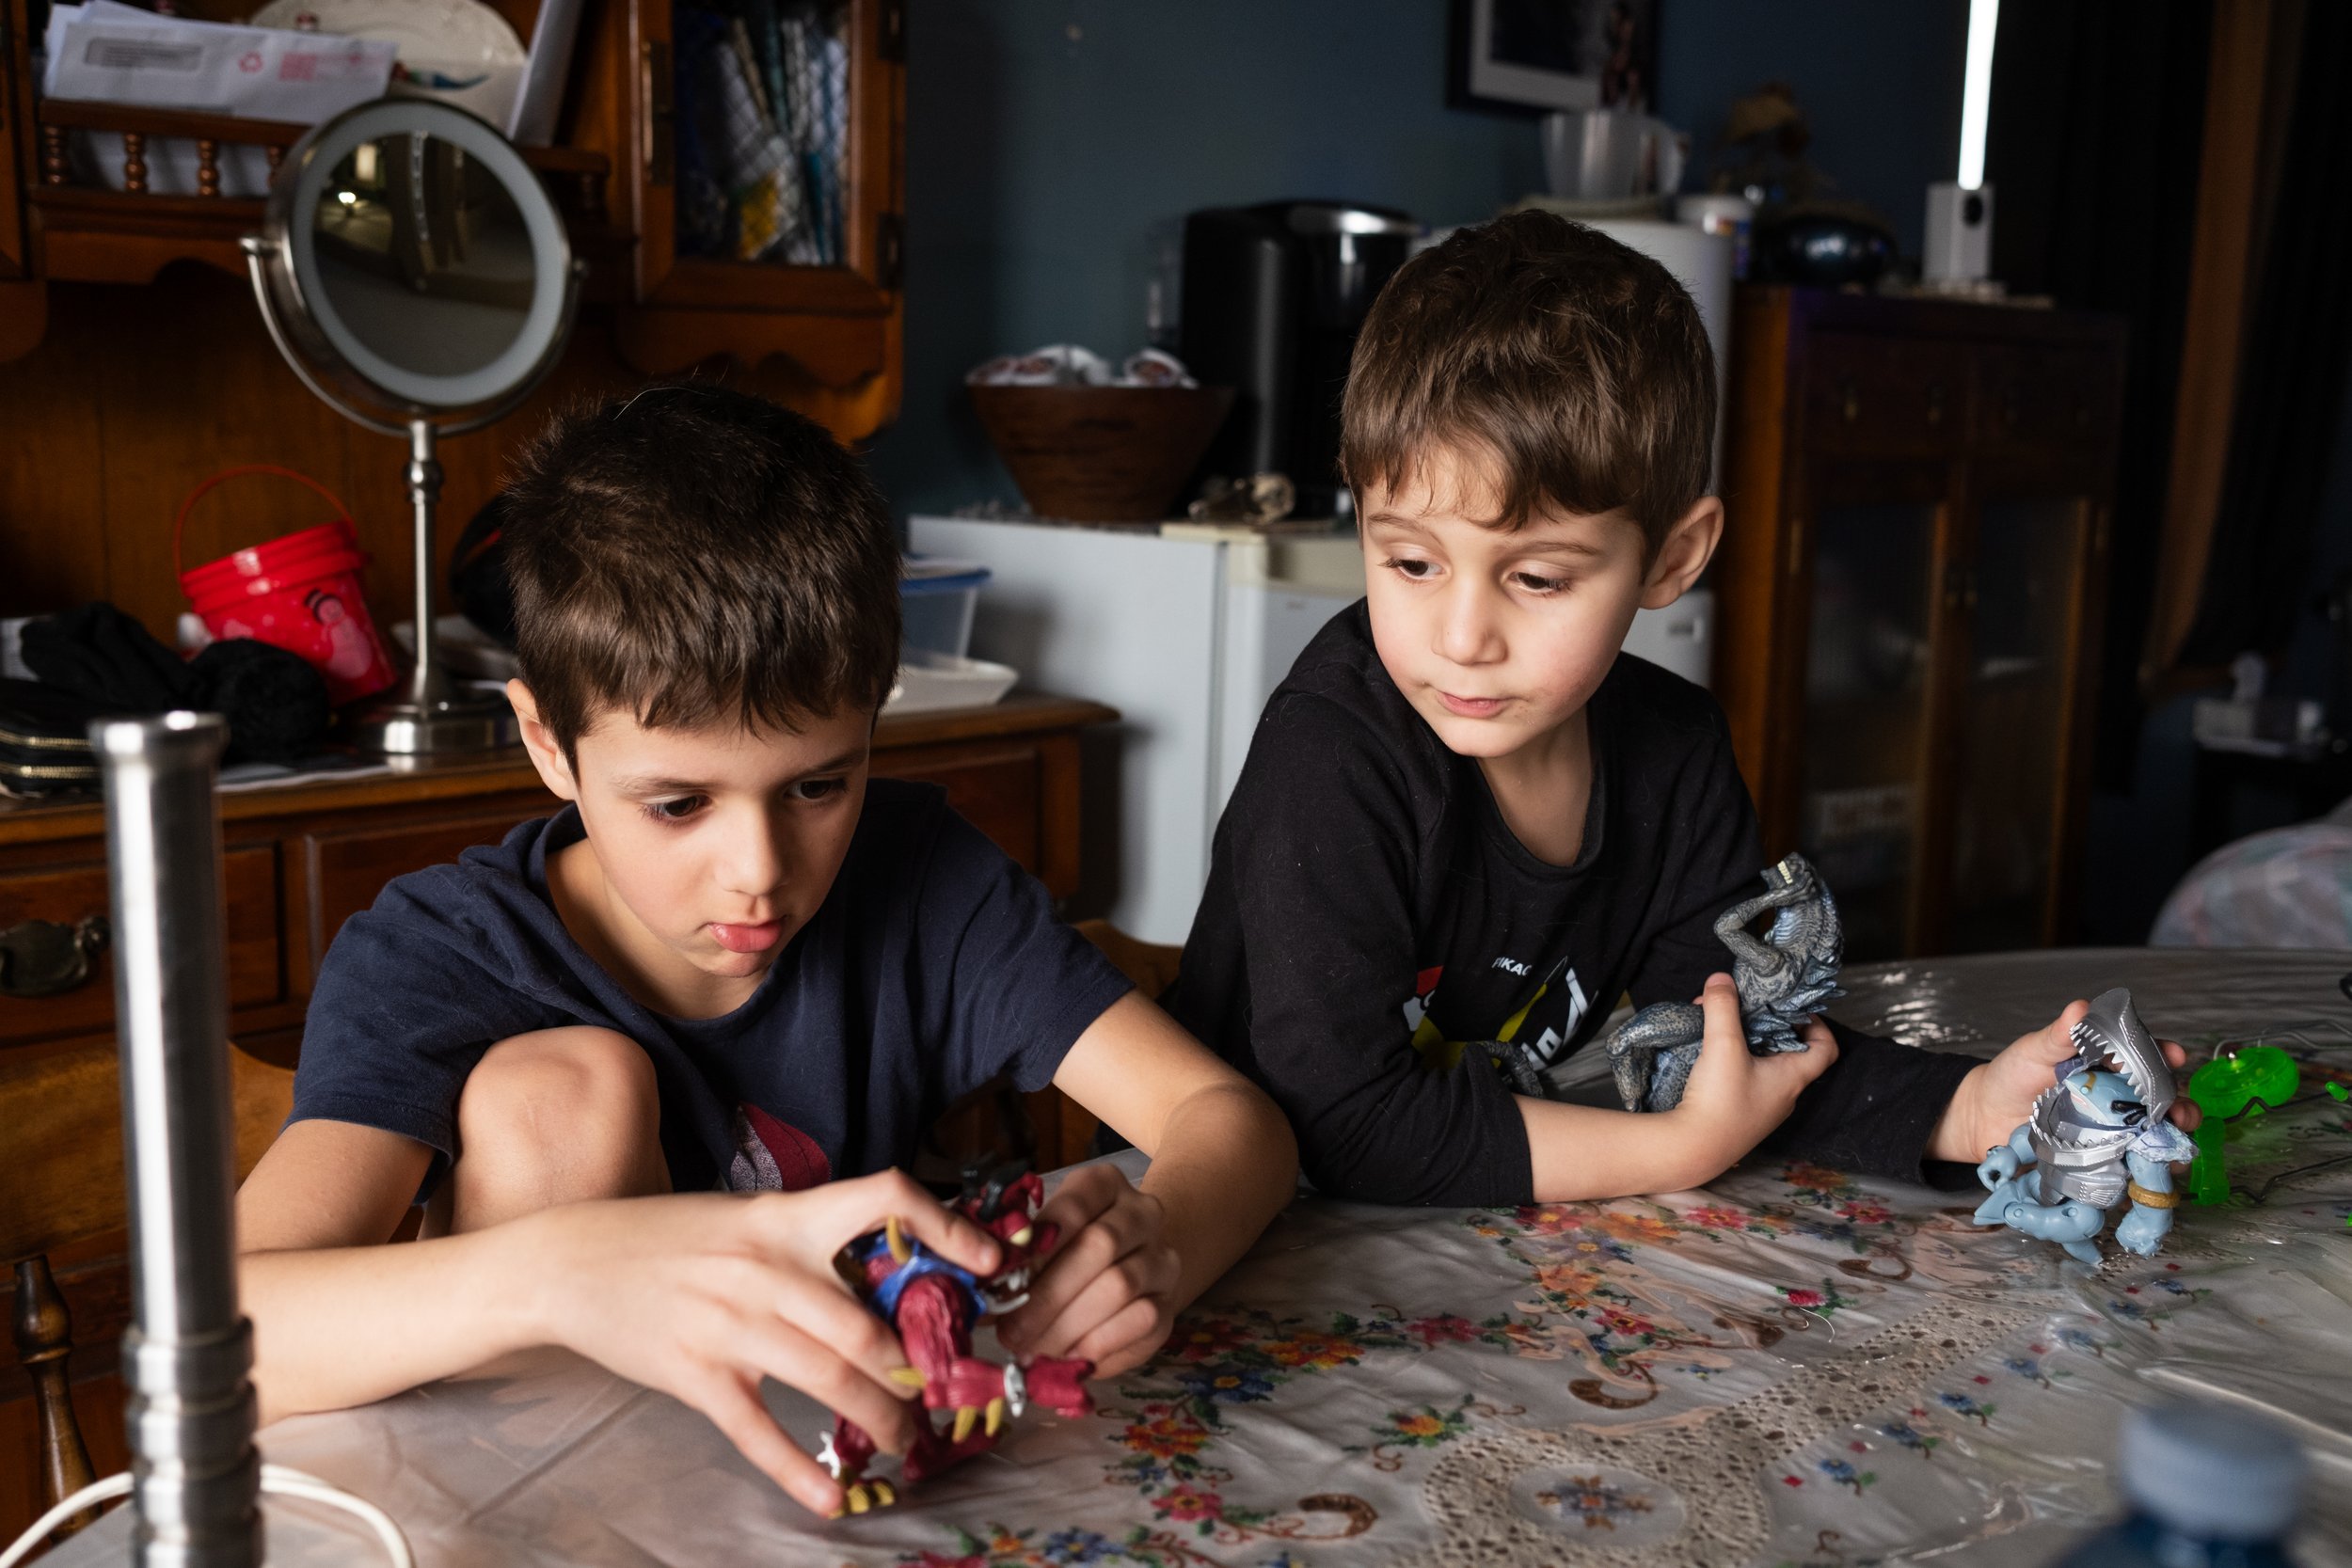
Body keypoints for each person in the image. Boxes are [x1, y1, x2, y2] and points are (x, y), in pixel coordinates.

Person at [235, 386, 1298, 1515]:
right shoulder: (442, 953)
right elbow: (214, 1339)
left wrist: (1156, 1241)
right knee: (564, 1085)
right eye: (679, 802)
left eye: (818, 784)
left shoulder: (921, 878)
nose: (758, 868)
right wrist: (559, 1270)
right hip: (550, 1506)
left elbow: (1229, 1120)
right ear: (547, 740)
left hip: (823, 1491)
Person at [1162, 212, 2195, 1206]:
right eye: (1410, 560)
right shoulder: (1332, 757)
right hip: (1217, 1219)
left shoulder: (1674, 752)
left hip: (1445, 1217)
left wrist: (1962, 1107)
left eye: (1536, 578)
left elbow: (1721, 1049)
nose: (1460, 634)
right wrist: (1677, 1149)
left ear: (1671, 558)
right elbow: (1351, 1126)